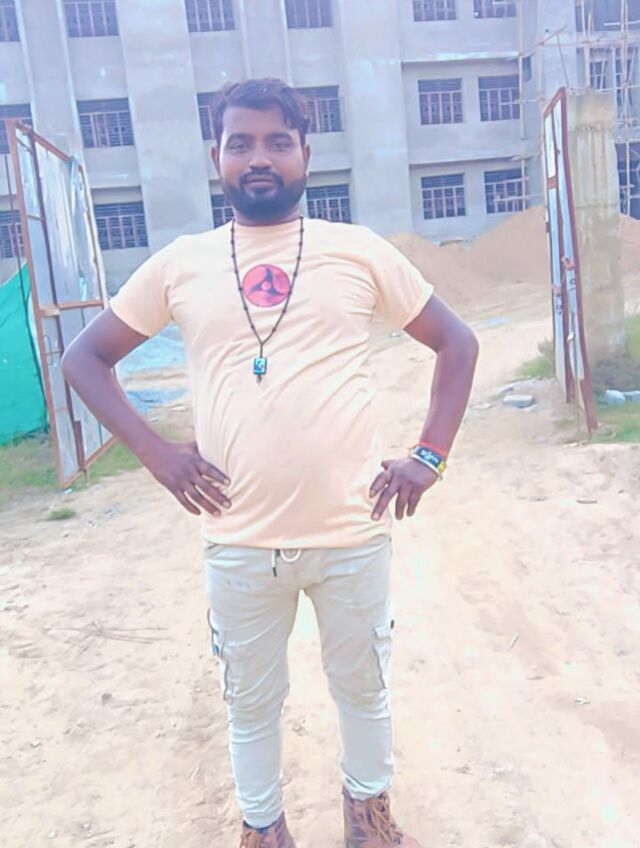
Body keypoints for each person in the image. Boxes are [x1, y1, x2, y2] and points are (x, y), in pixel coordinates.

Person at [62, 78, 479, 848]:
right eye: (241, 143)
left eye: (277, 142)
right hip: (239, 540)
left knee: (363, 691)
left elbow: (458, 343)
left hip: (351, 534)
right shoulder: (181, 265)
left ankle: (369, 825)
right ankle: (263, 832)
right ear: (215, 156)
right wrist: (157, 454)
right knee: (250, 703)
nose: (260, 157)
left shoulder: (357, 251)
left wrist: (429, 456)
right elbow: (85, 359)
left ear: (305, 155)